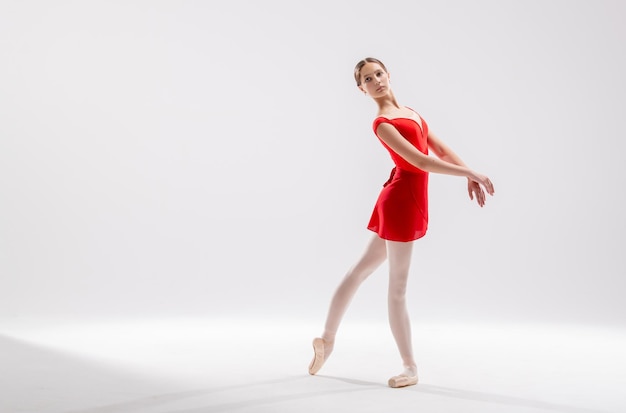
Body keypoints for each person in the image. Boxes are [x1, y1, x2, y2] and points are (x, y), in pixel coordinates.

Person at [308, 57, 495, 388]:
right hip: (401, 203)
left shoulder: (409, 112)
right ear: (361, 89)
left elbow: (439, 148)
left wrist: (467, 170)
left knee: (359, 272)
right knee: (397, 288)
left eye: (378, 73)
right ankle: (410, 367)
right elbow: (420, 160)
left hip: (405, 199)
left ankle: (327, 338)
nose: (376, 80)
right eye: (367, 79)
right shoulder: (382, 123)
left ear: (388, 74)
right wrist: (470, 173)